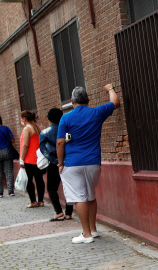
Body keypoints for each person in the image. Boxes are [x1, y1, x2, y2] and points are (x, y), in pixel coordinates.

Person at [57, 84, 119, 244]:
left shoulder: (66, 118)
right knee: (90, 195)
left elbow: (60, 142)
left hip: (72, 163)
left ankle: (86, 234)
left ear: (72, 101)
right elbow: (115, 102)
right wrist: (110, 89)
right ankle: (93, 229)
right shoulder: (97, 112)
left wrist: (60, 163)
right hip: (93, 163)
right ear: (88, 100)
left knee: (79, 198)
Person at [40, 108, 73, 221]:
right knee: (69, 187)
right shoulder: (67, 130)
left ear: (49, 119)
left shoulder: (44, 133)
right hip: (68, 162)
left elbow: (43, 150)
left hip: (54, 164)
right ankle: (69, 213)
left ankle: (59, 212)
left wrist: (54, 160)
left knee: (51, 188)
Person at [20, 111, 45, 208]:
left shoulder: (27, 129)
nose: (21, 120)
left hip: (29, 159)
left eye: (21, 118)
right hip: (38, 158)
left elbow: (25, 145)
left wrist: (22, 159)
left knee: (29, 180)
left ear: (24, 119)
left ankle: (33, 201)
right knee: (39, 179)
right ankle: (41, 201)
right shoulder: (37, 127)